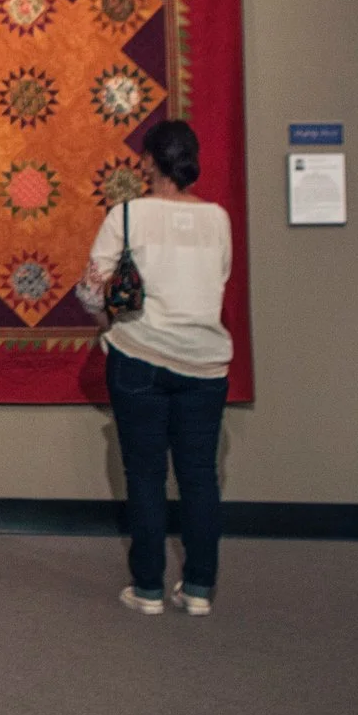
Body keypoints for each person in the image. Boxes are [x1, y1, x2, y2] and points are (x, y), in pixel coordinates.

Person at [77, 119, 233, 617]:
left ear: (148, 161)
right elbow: (219, 280)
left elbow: (91, 289)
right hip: (205, 363)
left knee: (144, 475)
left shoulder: (127, 215)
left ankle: (148, 588)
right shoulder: (218, 219)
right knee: (200, 476)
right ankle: (199, 588)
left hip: (139, 356)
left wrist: (108, 328)